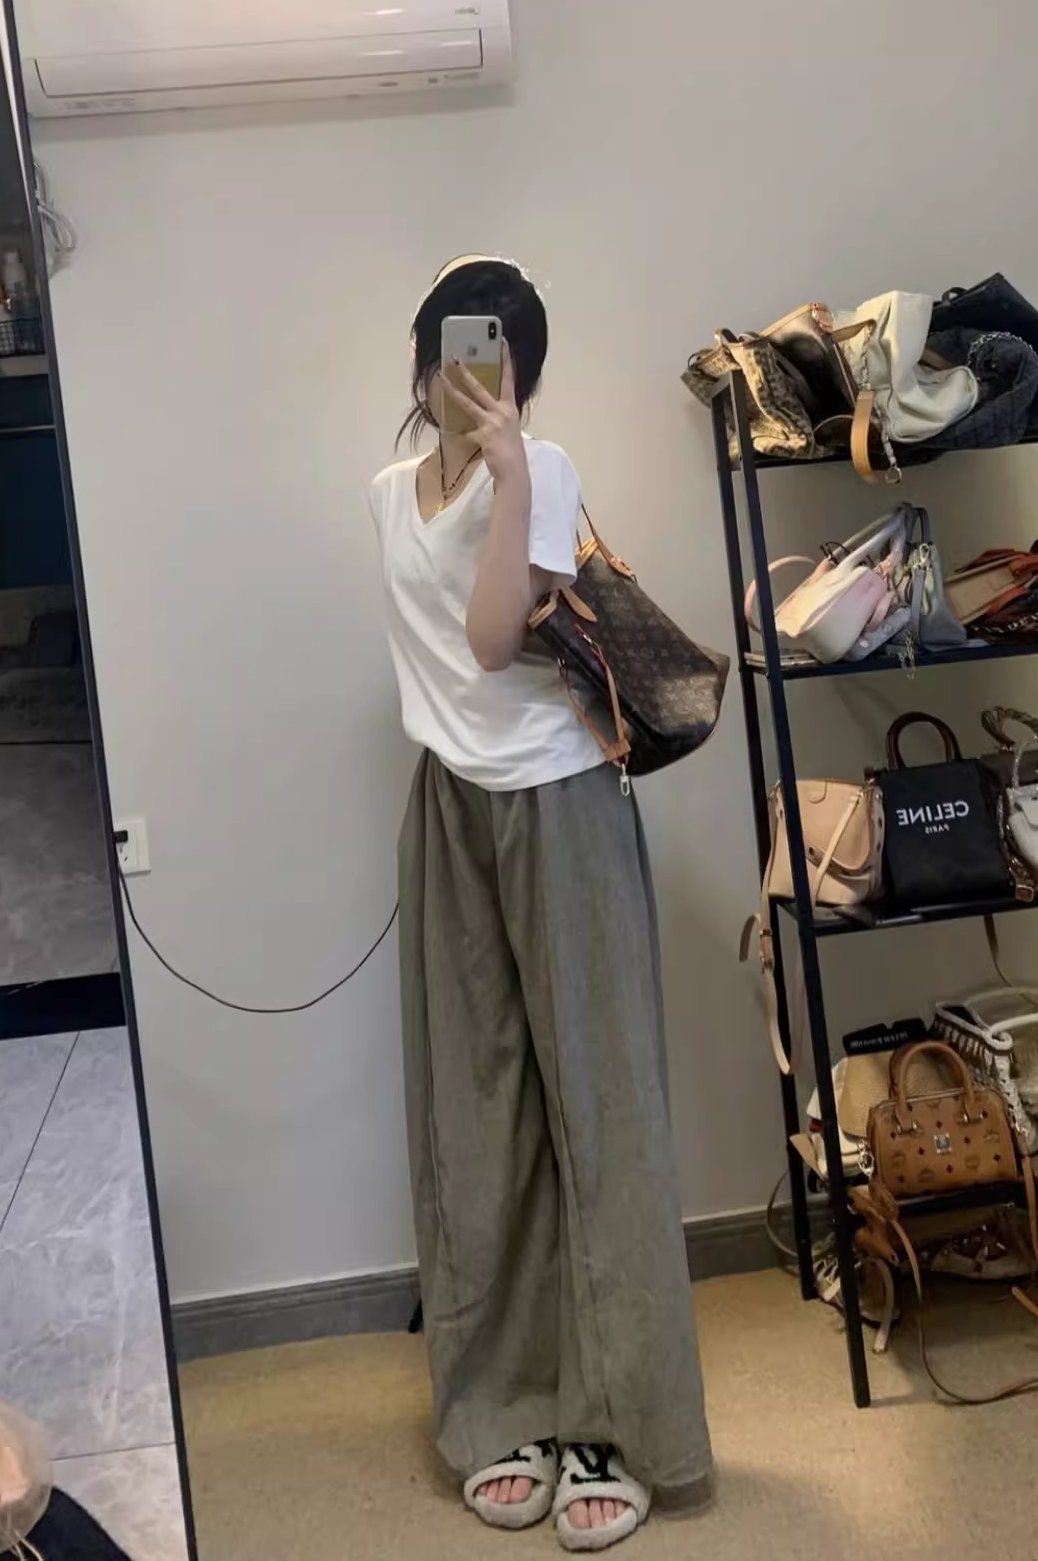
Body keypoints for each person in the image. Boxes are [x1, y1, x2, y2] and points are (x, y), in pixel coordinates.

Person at [368, 257, 711, 1551]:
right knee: (477, 1114)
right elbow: (435, 674)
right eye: (456, 352)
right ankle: (503, 1404)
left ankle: (618, 1428)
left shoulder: (544, 470)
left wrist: (512, 473)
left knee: (602, 1113)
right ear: (423, 360)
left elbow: (495, 639)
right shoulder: (384, 494)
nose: (470, 379)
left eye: (499, 360)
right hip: (451, 810)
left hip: (562, 805)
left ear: (526, 375)